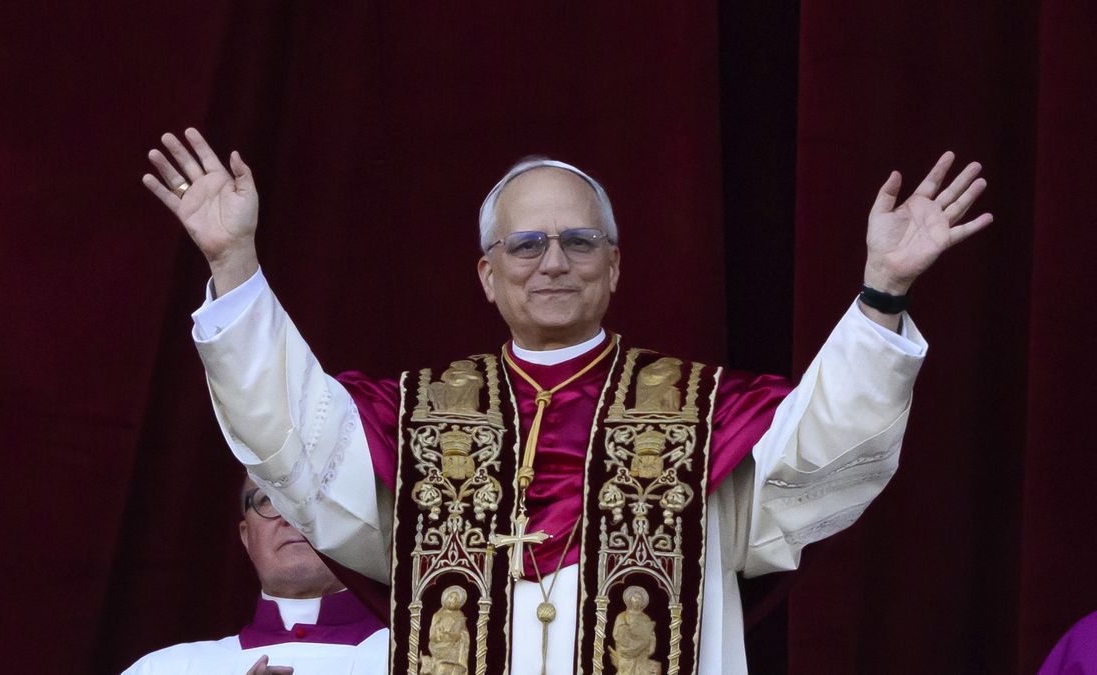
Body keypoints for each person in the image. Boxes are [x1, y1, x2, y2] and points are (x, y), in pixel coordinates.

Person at [141, 128, 991, 674]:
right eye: (527, 242)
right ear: (487, 271)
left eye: (579, 240)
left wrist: (882, 294)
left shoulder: (703, 416)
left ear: (614, 266)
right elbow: (292, 443)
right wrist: (234, 265)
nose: (554, 261)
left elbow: (824, 461)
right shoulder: (421, 419)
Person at [122, 477, 387, 674]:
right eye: (267, 499)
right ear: (247, 537)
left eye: (313, 497)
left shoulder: (418, 657)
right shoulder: (162, 669)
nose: (290, 517)